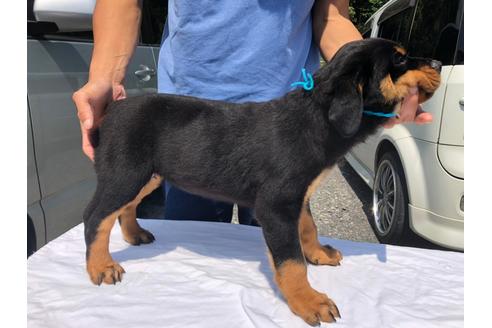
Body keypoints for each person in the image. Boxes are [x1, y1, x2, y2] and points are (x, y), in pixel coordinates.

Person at [73, 0, 432, 225]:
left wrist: (377, 81)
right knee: (195, 270)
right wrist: (104, 76)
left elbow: (331, 13)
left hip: (288, 129)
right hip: (188, 123)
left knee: (281, 252)